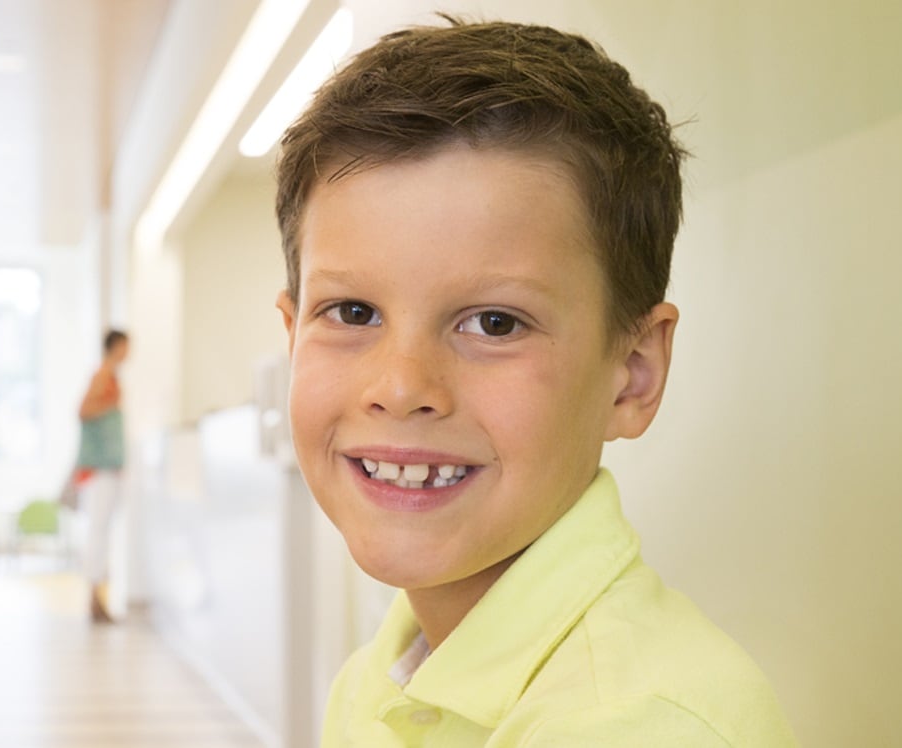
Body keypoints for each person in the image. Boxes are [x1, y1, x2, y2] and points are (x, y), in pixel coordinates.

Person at [272, 17, 797, 746]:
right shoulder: (378, 678)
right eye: (353, 311)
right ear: (292, 334)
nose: (400, 386)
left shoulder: (640, 726)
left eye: (494, 323)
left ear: (633, 375)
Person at [73, 329, 129, 623]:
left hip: (107, 470)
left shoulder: (111, 377)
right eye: (125, 346)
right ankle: (94, 598)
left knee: (102, 533)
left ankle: (97, 597)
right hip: (99, 471)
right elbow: (82, 411)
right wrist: (110, 404)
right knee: (98, 532)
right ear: (116, 347)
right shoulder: (103, 376)